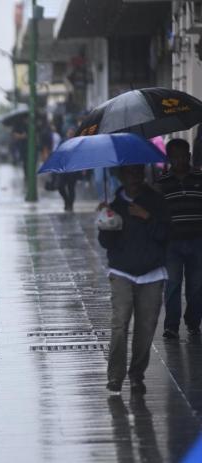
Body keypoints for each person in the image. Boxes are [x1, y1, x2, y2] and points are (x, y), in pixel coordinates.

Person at [98, 164, 170, 395]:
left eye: (139, 172)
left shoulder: (156, 201)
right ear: (121, 176)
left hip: (152, 272)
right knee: (119, 324)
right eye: (130, 172)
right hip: (122, 272)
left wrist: (146, 216)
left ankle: (137, 374)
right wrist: (105, 222)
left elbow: (166, 234)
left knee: (146, 328)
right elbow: (106, 244)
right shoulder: (115, 204)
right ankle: (115, 377)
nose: (135, 177)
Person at [156, 139, 202, 339]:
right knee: (173, 284)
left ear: (190, 156)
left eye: (184, 155)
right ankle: (171, 325)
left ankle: (193, 321)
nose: (180, 160)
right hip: (172, 242)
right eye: (175, 156)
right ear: (169, 158)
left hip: (197, 240)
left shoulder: (199, 178)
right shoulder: (161, 182)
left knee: (197, 285)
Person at [57, 127, 79, 212]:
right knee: (60, 186)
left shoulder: (77, 142)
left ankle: (70, 204)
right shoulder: (63, 141)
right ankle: (66, 201)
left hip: (73, 170)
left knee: (71, 188)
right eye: (69, 133)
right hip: (63, 169)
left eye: (72, 133)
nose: (70, 134)